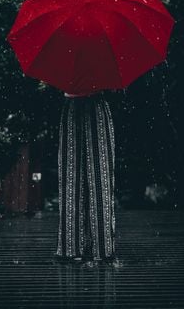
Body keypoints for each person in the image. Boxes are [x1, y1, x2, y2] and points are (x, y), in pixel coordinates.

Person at [53, 88, 116, 264]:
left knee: (73, 180)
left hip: (77, 107)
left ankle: (72, 248)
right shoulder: (103, 62)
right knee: (98, 179)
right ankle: (100, 250)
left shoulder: (64, 61)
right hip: (89, 107)